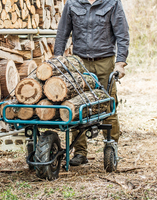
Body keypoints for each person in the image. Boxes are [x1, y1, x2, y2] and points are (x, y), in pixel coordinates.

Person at [54, 0, 129, 166]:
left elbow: (122, 34)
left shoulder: (112, 3)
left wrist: (120, 63)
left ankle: (111, 145)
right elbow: (62, 34)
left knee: (108, 103)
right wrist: (57, 58)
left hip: (105, 61)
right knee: (76, 106)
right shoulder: (72, 3)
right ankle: (80, 152)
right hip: (79, 62)